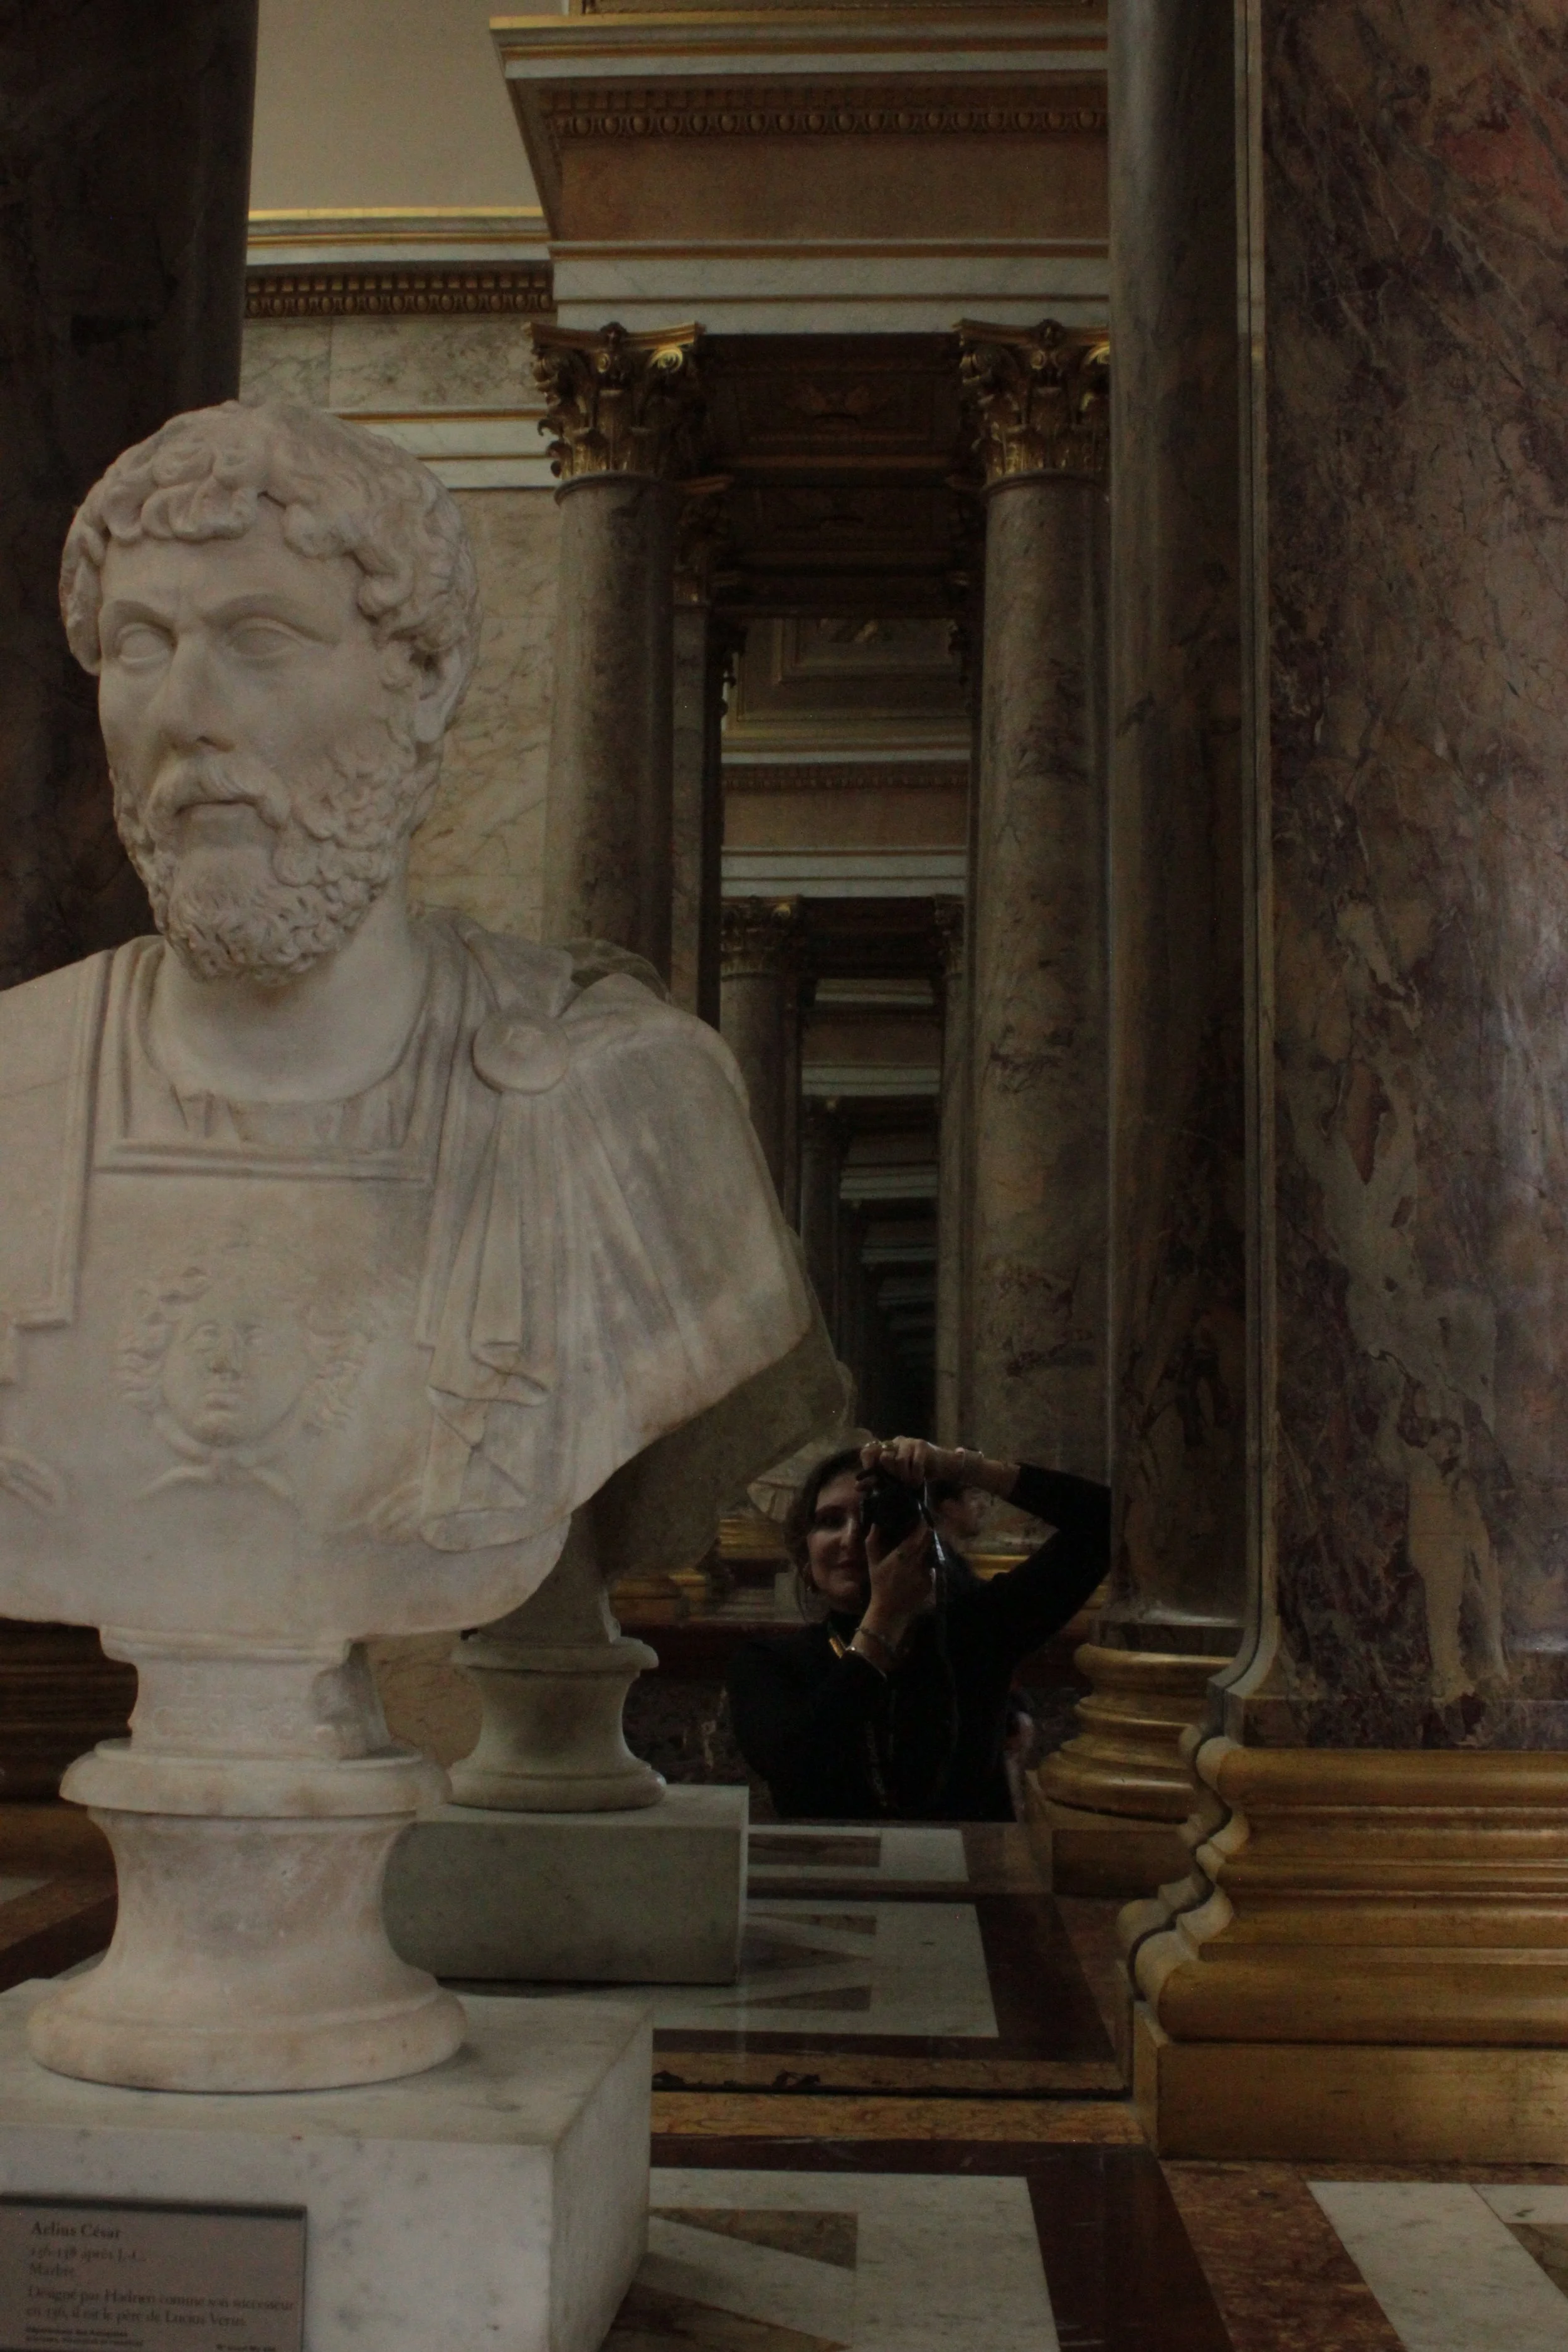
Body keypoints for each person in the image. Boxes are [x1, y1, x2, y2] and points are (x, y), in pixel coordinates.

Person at [726, 1434, 1108, 1821]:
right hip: (832, 1879)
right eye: (829, 1521)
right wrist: (884, 1615)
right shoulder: (768, 1664)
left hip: (970, 1878)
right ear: (805, 1559)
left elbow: (1105, 1522)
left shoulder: (979, 1627)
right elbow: (797, 1766)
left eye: (871, 1517)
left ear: (920, 1539)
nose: (853, 1536)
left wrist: (958, 1466)